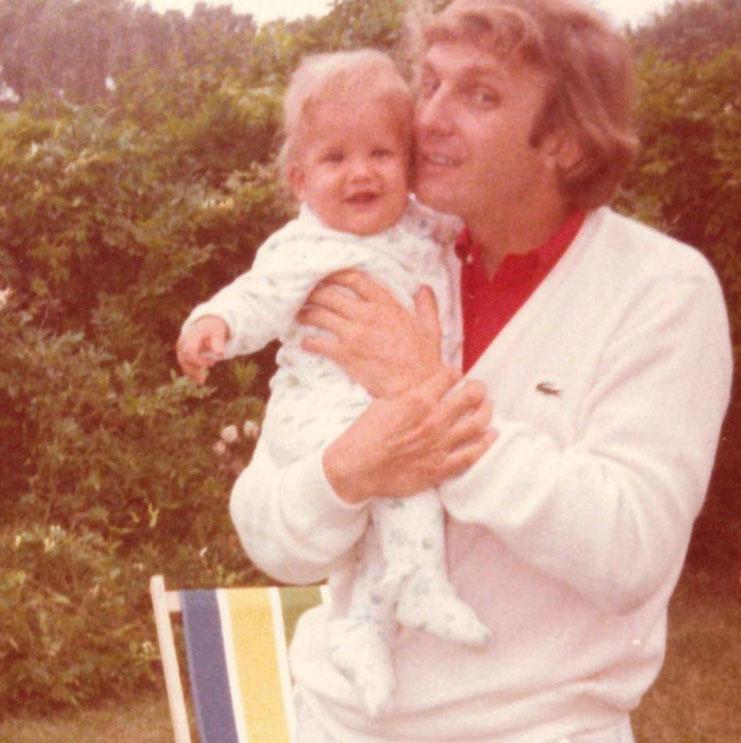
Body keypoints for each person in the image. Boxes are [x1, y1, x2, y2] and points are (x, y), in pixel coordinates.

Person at [200, 1, 732, 741]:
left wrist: (428, 400)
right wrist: (346, 472)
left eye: (479, 95)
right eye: (430, 85)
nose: (429, 120)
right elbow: (269, 532)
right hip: (338, 717)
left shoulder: (658, 289)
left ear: (568, 144)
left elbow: (628, 551)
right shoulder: (379, 257)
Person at [176, 48, 491, 719]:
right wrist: (216, 322)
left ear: (407, 162)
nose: (360, 172)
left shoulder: (427, 228)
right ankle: (403, 594)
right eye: (335, 158)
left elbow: (476, 231)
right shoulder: (303, 246)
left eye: (380, 153)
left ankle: (365, 626)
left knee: (406, 484)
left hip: (393, 400)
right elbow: (257, 297)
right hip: (320, 412)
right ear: (299, 179)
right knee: (398, 474)